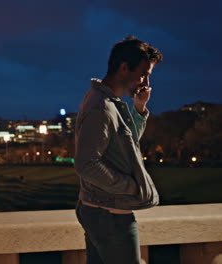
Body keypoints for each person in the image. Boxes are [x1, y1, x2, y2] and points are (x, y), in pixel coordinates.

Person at [74, 36, 163, 263]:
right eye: (144, 73)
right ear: (124, 68)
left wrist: (139, 108)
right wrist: (131, 187)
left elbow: (127, 143)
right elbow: (86, 164)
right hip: (111, 214)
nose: (145, 82)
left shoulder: (108, 102)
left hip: (104, 210)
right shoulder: (101, 107)